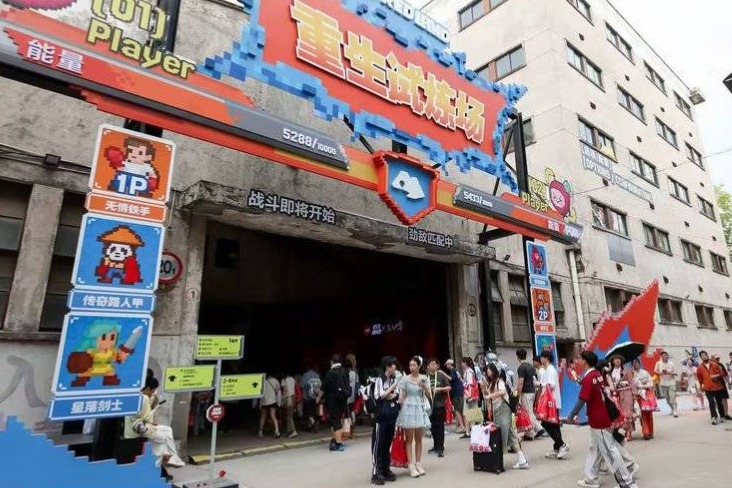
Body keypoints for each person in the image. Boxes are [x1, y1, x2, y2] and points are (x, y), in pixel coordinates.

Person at [570, 351, 638, 488]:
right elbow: (587, 386)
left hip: (598, 420)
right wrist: (576, 378)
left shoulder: (590, 377)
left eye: (580, 359)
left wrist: (571, 416)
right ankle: (591, 478)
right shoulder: (596, 375)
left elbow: (582, 399)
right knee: (595, 449)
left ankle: (627, 482)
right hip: (601, 418)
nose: (579, 361)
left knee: (610, 451)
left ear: (585, 361)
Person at [124, 376, 185, 471]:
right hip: (139, 429)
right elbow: (146, 418)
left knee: (167, 430)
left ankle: (173, 457)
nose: (152, 394)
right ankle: (165, 460)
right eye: (152, 391)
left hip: (134, 427)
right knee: (163, 439)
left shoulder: (133, 394)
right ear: (148, 388)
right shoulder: (144, 398)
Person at [482, 363, 530, 469]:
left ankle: (498, 462)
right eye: (486, 370)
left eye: (489, 369)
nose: (487, 372)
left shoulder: (499, 381)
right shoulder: (491, 382)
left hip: (503, 410)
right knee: (512, 437)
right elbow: (488, 395)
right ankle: (522, 460)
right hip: (497, 411)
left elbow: (502, 392)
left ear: (493, 370)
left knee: (500, 436)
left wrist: (490, 395)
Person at [396, 356, 432, 478]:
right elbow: (402, 396)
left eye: (414, 365)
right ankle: (410, 464)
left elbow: (428, 394)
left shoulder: (424, 378)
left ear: (419, 366)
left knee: (419, 439)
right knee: (409, 439)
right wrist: (400, 407)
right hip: (408, 408)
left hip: (420, 408)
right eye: (410, 365)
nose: (412, 368)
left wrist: (424, 387)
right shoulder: (405, 379)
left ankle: (418, 463)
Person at [370, 356, 400, 486]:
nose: (395, 367)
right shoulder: (379, 380)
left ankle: (385, 469)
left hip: (392, 416)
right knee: (378, 444)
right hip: (381, 417)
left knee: (387, 443)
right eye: (393, 365)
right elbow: (380, 396)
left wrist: (390, 393)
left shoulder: (394, 379)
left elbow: (396, 394)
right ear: (388, 366)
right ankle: (376, 472)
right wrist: (391, 390)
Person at [539, 350, 569, 459]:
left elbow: (551, 386)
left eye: (542, 357)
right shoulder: (547, 370)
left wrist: (540, 385)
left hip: (552, 402)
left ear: (546, 358)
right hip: (550, 402)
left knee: (550, 424)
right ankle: (557, 447)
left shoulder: (550, 370)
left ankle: (562, 445)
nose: (540, 359)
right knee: (551, 424)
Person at [318, 354, 351, 451]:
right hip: (343, 400)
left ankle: (338, 443)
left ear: (331, 362)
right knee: (336, 420)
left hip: (333, 401)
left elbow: (323, 387)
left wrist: (318, 397)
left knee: (335, 421)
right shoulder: (345, 371)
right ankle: (334, 440)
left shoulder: (330, 373)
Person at [516, 348, 545, 439]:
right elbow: (534, 380)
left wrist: (518, 395)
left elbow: (521, 382)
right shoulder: (531, 366)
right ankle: (529, 433)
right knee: (529, 411)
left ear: (518, 357)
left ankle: (539, 429)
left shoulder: (521, 368)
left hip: (526, 392)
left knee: (528, 413)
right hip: (532, 391)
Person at [697, 350, 731, 425]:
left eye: (705, 355)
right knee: (711, 402)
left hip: (717, 387)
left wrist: (716, 375)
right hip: (708, 388)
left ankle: (722, 415)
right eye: (702, 356)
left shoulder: (714, 364)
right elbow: (700, 379)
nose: (704, 356)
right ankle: (714, 417)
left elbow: (722, 373)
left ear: (707, 356)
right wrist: (701, 387)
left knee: (719, 402)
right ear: (701, 358)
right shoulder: (700, 367)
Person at [426, 358, 451, 457]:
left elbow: (449, 387)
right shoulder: (425, 377)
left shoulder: (441, 375)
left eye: (435, 364)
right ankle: (435, 445)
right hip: (429, 406)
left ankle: (440, 447)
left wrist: (440, 389)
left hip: (439, 404)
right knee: (432, 427)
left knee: (440, 426)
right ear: (428, 366)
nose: (434, 365)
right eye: (431, 364)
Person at [608, 355, 636, 441]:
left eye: (619, 359)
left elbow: (632, 383)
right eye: (615, 359)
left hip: (626, 393)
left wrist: (634, 394)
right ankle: (616, 432)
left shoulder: (626, 371)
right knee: (617, 413)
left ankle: (628, 432)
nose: (617, 360)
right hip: (615, 394)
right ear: (612, 361)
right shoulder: (610, 372)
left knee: (627, 412)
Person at [632, 359, 656, 440]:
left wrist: (642, 386)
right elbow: (634, 385)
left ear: (639, 363)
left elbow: (651, 383)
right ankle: (646, 432)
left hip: (648, 395)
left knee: (649, 414)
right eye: (634, 363)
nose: (635, 364)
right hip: (639, 395)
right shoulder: (632, 374)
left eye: (636, 362)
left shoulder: (645, 372)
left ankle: (651, 431)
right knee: (643, 414)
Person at [461, 357, 482, 439]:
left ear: (465, 363)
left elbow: (470, 384)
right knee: (472, 413)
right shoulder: (470, 371)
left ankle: (471, 431)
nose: (461, 364)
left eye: (462, 362)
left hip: (469, 396)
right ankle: (471, 431)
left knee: (470, 413)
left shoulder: (469, 372)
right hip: (471, 396)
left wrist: (469, 395)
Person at [654, 351, 678, 417]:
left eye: (666, 355)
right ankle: (672, 408)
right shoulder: (658, 363)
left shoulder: (671, 363)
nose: (666, 356)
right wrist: (660, 373)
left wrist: (671, 373)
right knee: (667, 399)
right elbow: (655, 371)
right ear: (661, 356)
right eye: (664, 355)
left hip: (671, 382)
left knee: (673, 397)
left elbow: (675, 372)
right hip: (663, 383)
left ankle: (675, 411)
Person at [445, 359, 465, 433]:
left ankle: (462, 426)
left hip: (457, 392)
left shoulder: (453, 370)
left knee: (457, 409)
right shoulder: (455, 371)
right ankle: (458, 425)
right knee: (459, 409)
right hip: (459, 391)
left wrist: (443, 374)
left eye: (447, 364)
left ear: (450, 364)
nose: (446, 366)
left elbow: (451, 378)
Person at [258, 373, 281, 438]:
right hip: (273, 401)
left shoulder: (263, 382)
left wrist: (260, 404)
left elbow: (260, 393)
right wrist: (279, 402)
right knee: (273, 416)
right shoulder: (276, 381)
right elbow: (278, 392)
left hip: (264, 401)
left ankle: (260, 431)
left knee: (263, 417)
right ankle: (277, 431)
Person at [301, 364, 321, 432]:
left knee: (307, 413)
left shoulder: (305, 375)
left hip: (307, 397)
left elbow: (302, 386)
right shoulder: (317, 375)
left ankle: (312, 423)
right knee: (314, 412)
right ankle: (314, 425)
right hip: (316, 397)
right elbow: (320, 385)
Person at [345, 355, 360, 439]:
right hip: (353, 396)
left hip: (346, 396)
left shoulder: (345, 372)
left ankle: (348, 432)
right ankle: (351, 431)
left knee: (347, 414)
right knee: (352, 413)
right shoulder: (355, 373)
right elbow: (357, 385)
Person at [281, 372, 298, 438]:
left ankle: (293, 431)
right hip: (293, 398)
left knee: (289, 416)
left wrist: (283, 399)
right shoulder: (292, 379)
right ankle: (288, 431)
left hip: (288, 398)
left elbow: (285, 390)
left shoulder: (284, 380)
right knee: (289, 415)